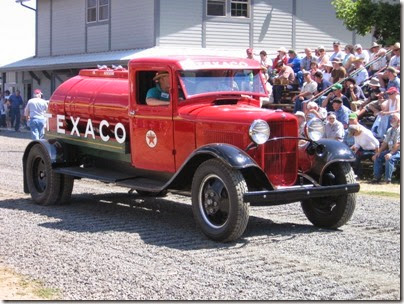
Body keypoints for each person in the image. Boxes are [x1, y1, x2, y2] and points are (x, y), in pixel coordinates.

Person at [371, 113, 400, 184]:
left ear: (399, 121)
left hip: (399, 151)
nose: (391, 120)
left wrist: (390, 153)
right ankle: (376, 178)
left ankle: (388, 180)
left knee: (389, 158)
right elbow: (385, 143)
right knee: (378, 157)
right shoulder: (390, 130)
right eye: (391, 118)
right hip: (391, 150)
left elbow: (398, 143)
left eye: (393, 118)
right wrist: (378, 152)